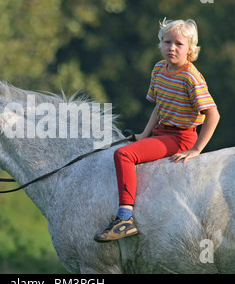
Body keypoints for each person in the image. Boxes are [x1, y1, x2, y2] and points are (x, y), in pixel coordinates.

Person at [94, 18, 220, 243]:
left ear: (190, 49)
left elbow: (213, 115)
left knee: (124, 154)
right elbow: (160, 106)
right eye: (167, 41)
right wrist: (144, 134)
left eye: (179, 44)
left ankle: (125, 218)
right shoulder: (159, 69)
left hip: (181, 136)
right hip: (162, 131)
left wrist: (197, 149)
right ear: (160, 44)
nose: (172, 48)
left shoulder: (190, 77)